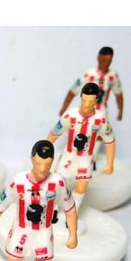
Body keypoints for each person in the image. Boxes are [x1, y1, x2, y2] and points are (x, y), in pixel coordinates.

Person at [48, 82, 116, 210]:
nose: (86, 105)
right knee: (58, 184)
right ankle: (53, 211)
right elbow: (54, 133)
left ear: (96, 100)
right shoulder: (70, 115)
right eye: (84, 100)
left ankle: (72, 212)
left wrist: (110, 163)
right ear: (81, 97)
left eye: (90, 101)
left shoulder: (101, 120)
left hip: (85, 158)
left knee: (81, 188)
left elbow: (110, 141)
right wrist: (45, 150)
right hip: (68, 156)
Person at [59, 46, 124, 120]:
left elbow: (119, 95)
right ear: (99, 58)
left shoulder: (113, 76)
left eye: (109, 61)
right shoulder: (88, 74)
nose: (106, 64)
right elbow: (72, 92)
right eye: (104, 60)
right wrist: (64, 108)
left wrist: (120, 112)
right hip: (86, 112)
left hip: (102, 113)